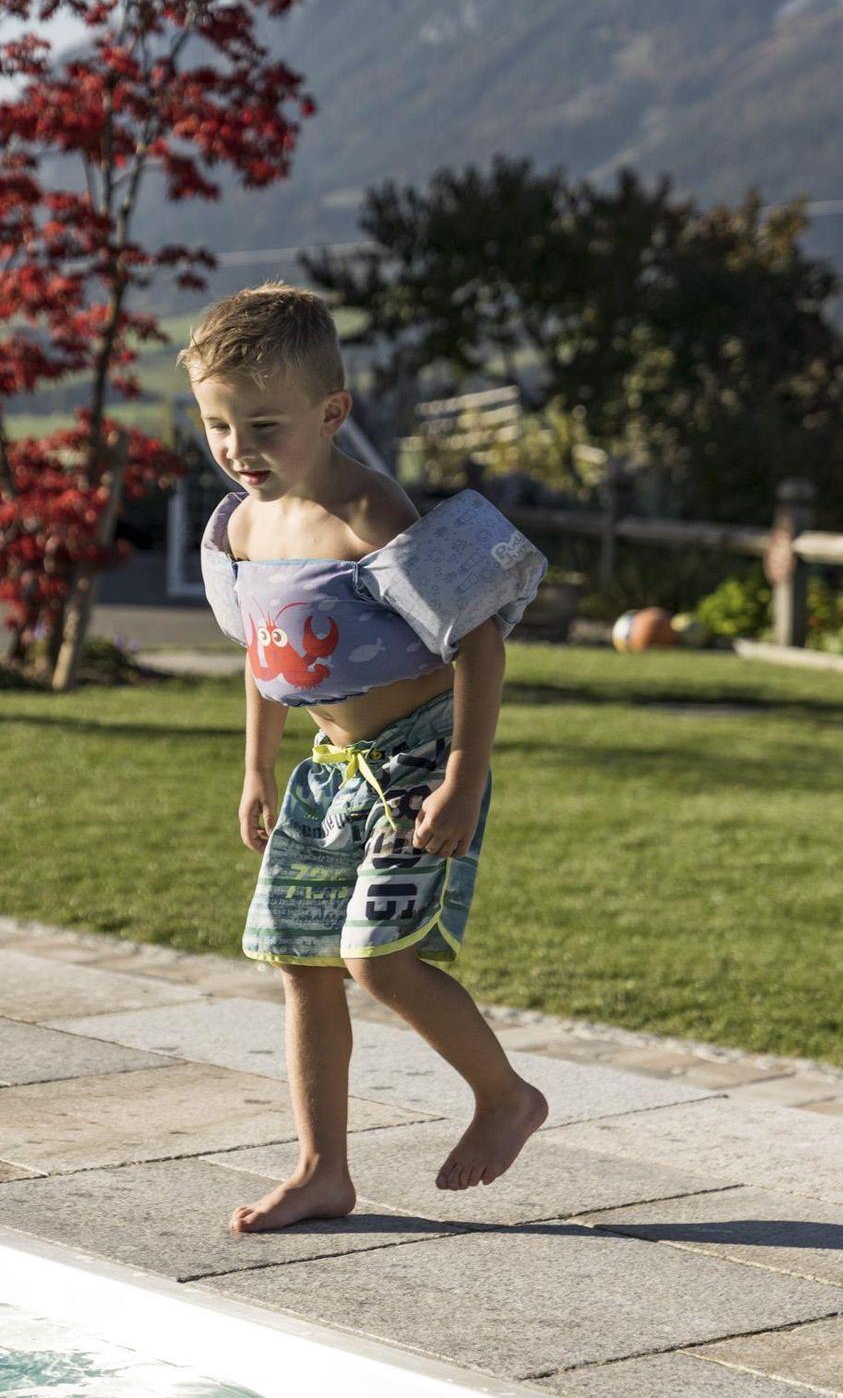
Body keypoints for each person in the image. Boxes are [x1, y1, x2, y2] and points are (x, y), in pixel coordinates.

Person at [187, 282, 551, 1234]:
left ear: (331, 412)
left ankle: (506, 1097)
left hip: (419, 765)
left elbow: (479, 641)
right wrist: (258, 769)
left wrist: (464, 777)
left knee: (376, 959)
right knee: (301, 961)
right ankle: (322, 1172)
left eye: (263, 426)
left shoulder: (368, 511)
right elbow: (265, 654)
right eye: (218, 427)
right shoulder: (240, 526)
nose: (238, 449)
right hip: (327, 772)